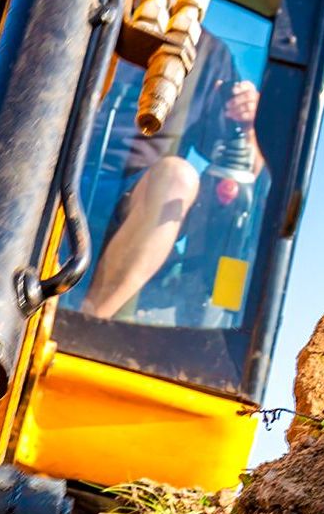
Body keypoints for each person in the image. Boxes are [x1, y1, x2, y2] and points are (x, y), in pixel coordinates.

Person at [80, 39, 261, 322]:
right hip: (51, 158)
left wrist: (251, 124)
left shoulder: (212, 57)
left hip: (133, 195)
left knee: (178, 179)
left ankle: (85, 322)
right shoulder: (97, 2)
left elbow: (248, 171)